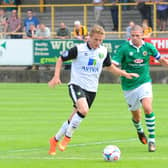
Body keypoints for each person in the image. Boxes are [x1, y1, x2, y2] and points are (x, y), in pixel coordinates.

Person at [47, 25, 139, 155]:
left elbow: (111, 67)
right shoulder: (78, 49)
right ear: (89, 37)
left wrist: (125, 74)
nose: (98, 43)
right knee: (84, 110)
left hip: (92, 90)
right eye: (96, 39)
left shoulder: (103, 51)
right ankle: (67, 138)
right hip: (76, 85)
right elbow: (60, 59)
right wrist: (56, 76)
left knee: (73, 118)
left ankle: (54, 140)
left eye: (100, 40)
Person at [112, 24, 168, 152]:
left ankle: (152, 140)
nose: (135, 38)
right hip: (128, 86)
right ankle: (139, 130)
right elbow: (113, 66)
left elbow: (161, 60)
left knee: (148, 107)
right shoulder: (124, 48)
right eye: (133, 36)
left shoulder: (148, 47)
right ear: (130, 35)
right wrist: (123, 73)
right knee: (136, 117)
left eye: (138, 35)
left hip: (144, 82)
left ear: (142, 35)